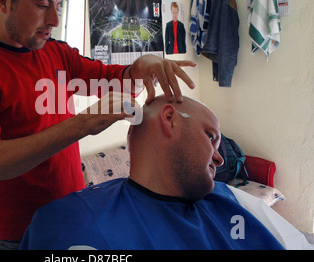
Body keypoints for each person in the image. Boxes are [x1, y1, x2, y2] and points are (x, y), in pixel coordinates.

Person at [0, 0, 196, 250]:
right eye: (42, 4)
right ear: (3, 1)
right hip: (18, 233)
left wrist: (141, 67)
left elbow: (112, 80)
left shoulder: (57, 52)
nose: (53, 19)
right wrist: (82, 124)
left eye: (59, 6)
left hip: (74, 212)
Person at [20, 95, 312, 250]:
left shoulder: (233, 201)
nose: (221, 159)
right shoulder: (73, 223)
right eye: (211, 136)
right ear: (170, 119)